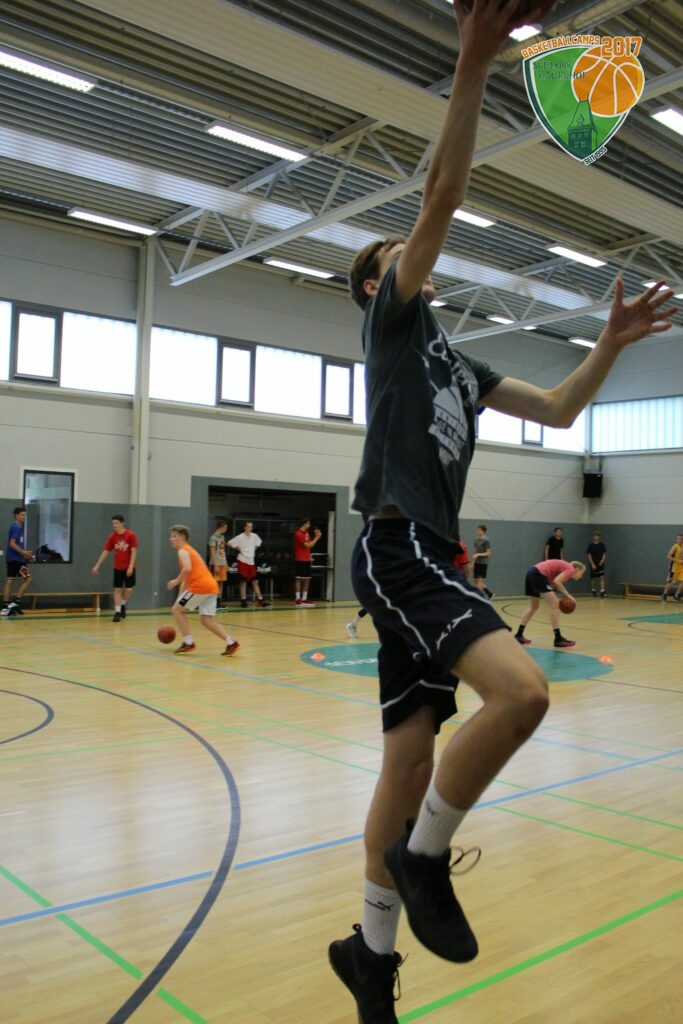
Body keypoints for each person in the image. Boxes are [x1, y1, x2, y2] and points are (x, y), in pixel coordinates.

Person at [326, 3, 676, 1020]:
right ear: (375, 287)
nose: (413, 257)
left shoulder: (458, 363)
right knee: (521, 695)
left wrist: (607, 344)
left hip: (430, 557)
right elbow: (442, 191)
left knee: (407, 763)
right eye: (394, 255)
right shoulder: (394, 324)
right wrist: (472, 60)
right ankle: (425, 858)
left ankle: (369, 954)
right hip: (398, 545)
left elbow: (559, 410)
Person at [167, 525, 239, 656]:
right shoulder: (190, 551)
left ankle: (188, 642)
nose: (170, 539)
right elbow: (187, 578)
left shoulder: (183, 551)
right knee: (206, 620)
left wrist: (175, 581)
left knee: (176, 610)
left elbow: (187, 569)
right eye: (171, 536)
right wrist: (179, 598)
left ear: (182, 537)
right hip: (211, 586)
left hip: (200, 586)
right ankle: (231, 643)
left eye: (174, 536)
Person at [514, 560, 586, 647]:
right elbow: (557, 582)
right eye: (582, 573)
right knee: (555, 606)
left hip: (531, 573)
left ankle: (519, 634)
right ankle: (558, 639)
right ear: (577, 569)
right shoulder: (570, 569)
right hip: (538, 574)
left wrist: (557, 598)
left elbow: (551, 586)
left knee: (534, 606)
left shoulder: (563, 569)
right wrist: (568, 596)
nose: (582, 576)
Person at [91, 514, 138, 622]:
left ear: (122, 523)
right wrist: (97, 565)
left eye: (116, 523)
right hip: (118, 567)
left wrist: (131, 567)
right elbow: (106, 551)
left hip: (129, 567)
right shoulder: (112, 537)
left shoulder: (130, 535)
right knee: (117, 589)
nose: (114, 525)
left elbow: (134, 551)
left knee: (129, 589)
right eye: (113, 523)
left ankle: (123, 604)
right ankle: (117, 612)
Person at [228, 521, 270, 608]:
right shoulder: (240, 537)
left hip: (251, 561)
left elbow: (259, 543)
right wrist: (238, 548)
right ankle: (243, 601)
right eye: (249, 526)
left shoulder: (254, 536)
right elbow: (229, 543)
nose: (250, 528)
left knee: (255, 581)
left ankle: (260, 600)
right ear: (245, 527)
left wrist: (253, 549)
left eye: (251, 527)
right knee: (243, 581)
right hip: (242, 560)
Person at [2, 507, 33, 616]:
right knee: (28, 579)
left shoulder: (14, 527)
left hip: (11, 559)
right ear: (16, 515)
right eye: (22, 515)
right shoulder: (16, 527)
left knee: (10, 581)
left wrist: (25, 552)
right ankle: (15, 603)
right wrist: (24, 553)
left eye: (25, 515)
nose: (24, 517)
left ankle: (5, 607)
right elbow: (12, 543)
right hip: (17, 560)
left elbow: (15, 544)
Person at [293, 518, 321, 606]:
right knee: (299, 578)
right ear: (304, 524)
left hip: (307, 559)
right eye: (308, 523)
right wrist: (317, 538)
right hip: (300, 559)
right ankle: (298, 599)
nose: (309, 525)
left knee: (307, 579)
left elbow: (310, 545)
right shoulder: (298, 533)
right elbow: (308, 545)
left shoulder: (307, 533)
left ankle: (304, 599)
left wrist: (315, 537)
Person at [209, 518, 229, 606]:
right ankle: (212, 601)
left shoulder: (222, 537)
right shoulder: (213, 538)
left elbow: (223, 550)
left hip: (222, 562)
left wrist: (226, 562)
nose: (226, 529)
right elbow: (212, 552)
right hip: (216, 563)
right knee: (215, 582)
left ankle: (219, 600)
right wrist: (215, 564)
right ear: (221, 527)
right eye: (225, 527)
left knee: (221, 581)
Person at [471, 525, 493, 597]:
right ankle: (489, 594)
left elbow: (488, 553)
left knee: (479, 581)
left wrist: (479, 554)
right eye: (477, 530)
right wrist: (472, 563)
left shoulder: (486, 540)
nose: (477, 531)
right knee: (476, 581)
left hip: (483, 563)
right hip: (477, 562)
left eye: (479, 530)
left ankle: (478, 598)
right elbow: (475, 551)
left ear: (483, 531)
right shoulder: (476, 540)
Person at [661, 534, 683, 601]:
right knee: (671, 582)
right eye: (678, 539)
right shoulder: (675, 546)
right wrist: (678, 560)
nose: (680, 540)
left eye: (681, 539)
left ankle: (677, 595)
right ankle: (664, 594)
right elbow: (668, 556)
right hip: (674, 567)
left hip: (681, 567)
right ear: (676, 540)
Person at [586, 531, 607, 597]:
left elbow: (604, 553)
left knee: (602, 577)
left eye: (598, 536)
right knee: (593, 578)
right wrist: (592, 564)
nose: (596, 537)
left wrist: (602, 560)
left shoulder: (602, 545)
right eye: (595, 536)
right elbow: (589, 555)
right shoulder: (590, 545)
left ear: (599, 537)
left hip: (600, 564)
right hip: (593, 564)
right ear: (593, 537)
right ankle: (593, 590)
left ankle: (602, 591)